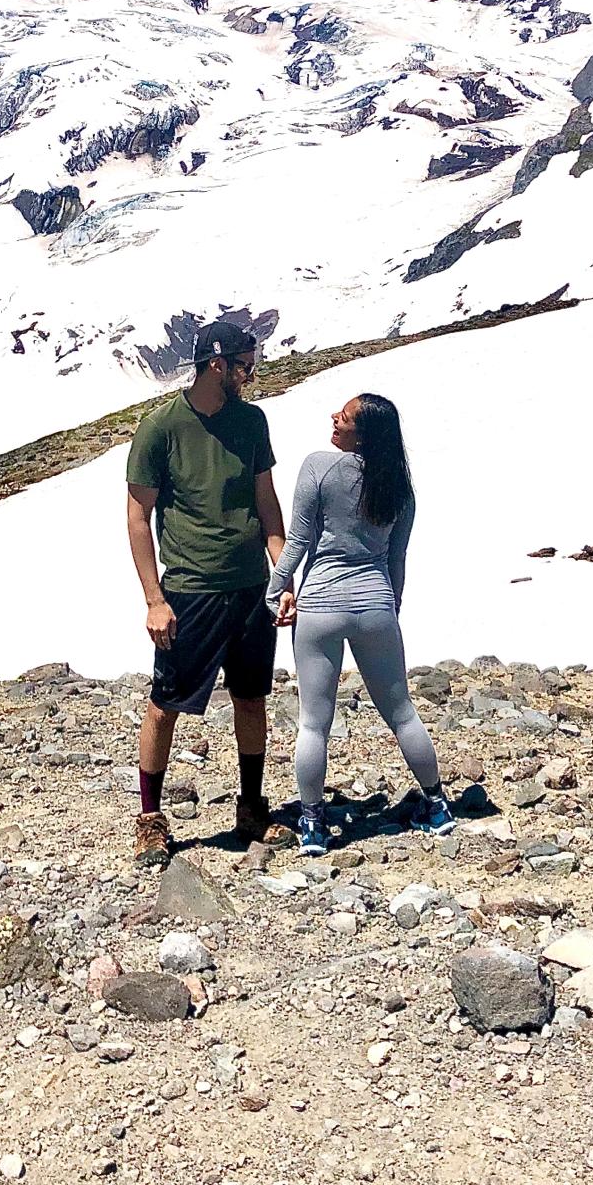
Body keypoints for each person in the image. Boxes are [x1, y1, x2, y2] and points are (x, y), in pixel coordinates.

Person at [126, 320, 287, 868]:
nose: (252, 372)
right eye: (245, 364)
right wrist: (154, 598)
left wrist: (281, 574)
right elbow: (138, 514)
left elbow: (267, 501)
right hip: (190, 589)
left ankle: (251, 806)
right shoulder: (160, 428)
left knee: (251, 696)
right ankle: (150, 819)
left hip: (249, 588)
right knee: (166, 704)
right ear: (217, 365)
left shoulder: (252, 422)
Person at [267, 392, 452, 856]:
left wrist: (276, 588)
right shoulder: (399, 487)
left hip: (322, 602)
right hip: (375, 604)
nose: (334, 417)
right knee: (402, 711)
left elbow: (299, 541)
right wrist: (392, 609)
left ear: (361, 433)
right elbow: (396, 560)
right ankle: (436, 804)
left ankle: (312, 823)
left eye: (344, 417)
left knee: (314, 722)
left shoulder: (319, 467)